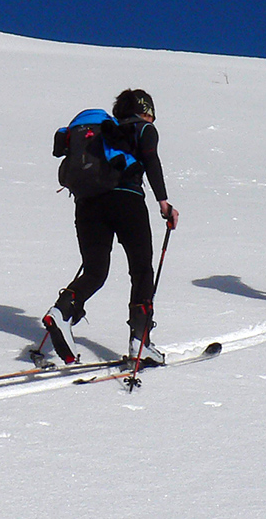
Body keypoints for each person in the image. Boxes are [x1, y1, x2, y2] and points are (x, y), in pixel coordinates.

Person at [43, 89, 179, 367]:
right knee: (141, 269)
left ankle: (62, 312)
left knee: (95, 270)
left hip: (87, 203)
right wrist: (163, 202)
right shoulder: (142, 129)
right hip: (127, 201)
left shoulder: (103, 131)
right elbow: (151, 159)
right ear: (146, 110)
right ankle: (140, 342)